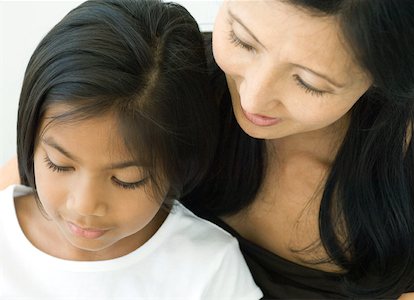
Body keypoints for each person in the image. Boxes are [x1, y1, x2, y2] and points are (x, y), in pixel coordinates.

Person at [1, 0, 414, 299]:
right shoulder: (163, 88)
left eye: (308, 82)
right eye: (242, 40)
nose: (252, 100)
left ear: (383, 80)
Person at [0, 0, 263, 299]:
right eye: (59, 164)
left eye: (127, 180)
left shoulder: (208, 266)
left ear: (178, 165)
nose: (85, 205)